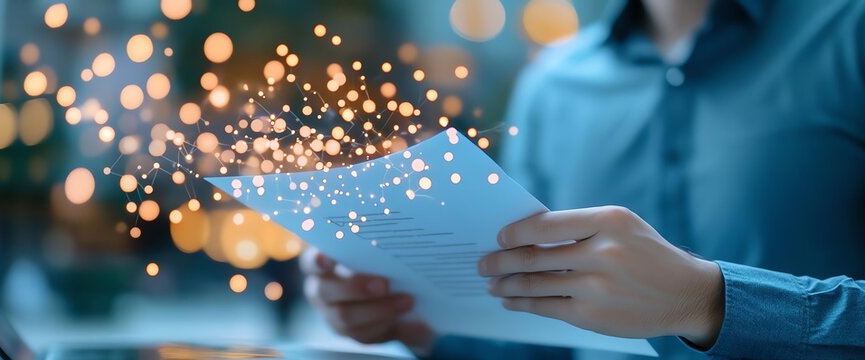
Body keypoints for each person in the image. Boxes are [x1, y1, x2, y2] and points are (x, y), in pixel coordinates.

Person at [301, 0, 865, 358]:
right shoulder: (551, 86)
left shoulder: (850, 35)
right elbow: (544, 340)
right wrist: (410, 321)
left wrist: (708, 301)